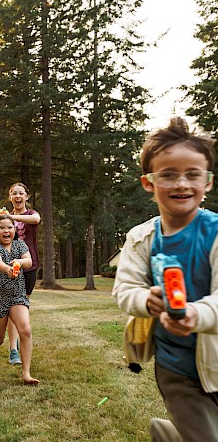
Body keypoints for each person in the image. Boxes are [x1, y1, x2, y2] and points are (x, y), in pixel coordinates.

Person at [112, 117, 218, 441]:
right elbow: (124, 289)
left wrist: (196, 314)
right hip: (177, 367)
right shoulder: (141, 237)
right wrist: (146, 300)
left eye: (192, 175)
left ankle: (170, 435)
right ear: (149, 182)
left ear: (209, 182)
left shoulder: (214, 233)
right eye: (169, 175)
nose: (181, 184)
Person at [0, 213, 39, 385]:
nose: (6, 231)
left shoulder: (21, 245)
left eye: (10, 227)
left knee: (25, 330)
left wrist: (18, 262)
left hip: (17, 295)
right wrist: (7, 269)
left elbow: (29, 261)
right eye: (2, 227)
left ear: (15, 230)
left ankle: (26, 373)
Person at [6, 182, 40, 365]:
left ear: (27, 196)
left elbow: (36, 221)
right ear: (10, 197)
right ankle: (13, 349)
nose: (17, 196)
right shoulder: (4, 218)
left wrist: (10, 216)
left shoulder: (31, 214)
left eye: (21, 193)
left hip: (30, 265)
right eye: (14, 193)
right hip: (10, 265)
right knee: (13, 305)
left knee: (23, 304)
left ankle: (22, 335)